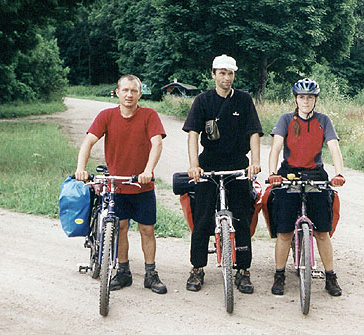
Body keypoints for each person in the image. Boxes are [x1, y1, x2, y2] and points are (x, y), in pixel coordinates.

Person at [75, 74, 167, 294]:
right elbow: (88, 141)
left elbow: (157, 143)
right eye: (125, 90)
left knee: (147, 229)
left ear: (140, 93)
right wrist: (81, 168)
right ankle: (123, 271)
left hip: (141, 185)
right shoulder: (106, 116)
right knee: (120, 227)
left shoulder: (149, 115)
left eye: (134, 91)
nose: (129, 95)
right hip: (116, 185)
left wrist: (147, 171)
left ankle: (150, 273)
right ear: (117, 92)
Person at [182, 54, 263, 294]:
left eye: (230, 73)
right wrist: (194, 165)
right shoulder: (202, 101)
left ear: (234, 76)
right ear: (213, 74)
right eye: (222, 73)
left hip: (238, 164)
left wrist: (255, 163)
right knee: (203, 217)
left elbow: (254, 134)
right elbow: (192, 135)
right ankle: (197, 268)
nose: (226, 78)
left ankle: (243, 270)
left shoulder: (244, 100)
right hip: (209, 165)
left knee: (242, 218)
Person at [268, 78, 345, 297]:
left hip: (315, 175)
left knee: (322, 231)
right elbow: (276, 148)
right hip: (288, 174)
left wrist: (339, 173)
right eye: (302, 97)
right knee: (283, 231)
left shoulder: (324, 120)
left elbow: (334, 147)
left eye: (310, 98)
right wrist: (273, 173)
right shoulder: (285, 119)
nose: (305, 101)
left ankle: (330, 277)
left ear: (315, 100)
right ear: (296, 99)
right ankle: (279, 274)